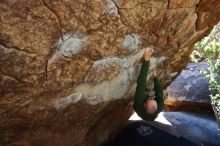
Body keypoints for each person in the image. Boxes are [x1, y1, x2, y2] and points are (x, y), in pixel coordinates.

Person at [133, 48, 164, 121]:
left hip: (139, 108)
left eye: (150, 98)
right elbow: (159, 91)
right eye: (154, 99)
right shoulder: (160, 106)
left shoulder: (138, 105)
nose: (152, 97)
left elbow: (142, 82)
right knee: (154, 94)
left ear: (144, 104)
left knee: (140, 90)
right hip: (151, 109)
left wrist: (146, 60)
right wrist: (155, 77)